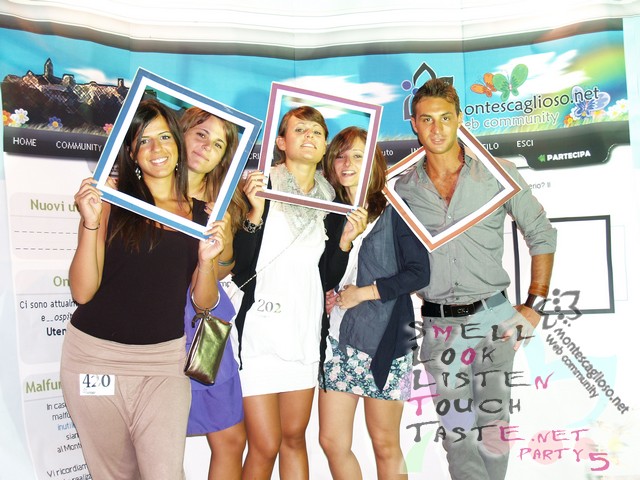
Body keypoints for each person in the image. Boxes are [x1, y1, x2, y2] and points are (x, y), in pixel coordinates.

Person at [394, 78, 556, 480]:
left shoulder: (498, 175)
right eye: (427, 119)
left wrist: (534, 306)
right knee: (457, 434)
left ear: (460, 119)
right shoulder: (404, 188)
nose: (437, 129)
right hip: (438, 325)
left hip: (493, 318)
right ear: (414, 124)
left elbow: (541, 234)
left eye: (445, 118)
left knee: (493, 429)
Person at [60, 99, 225, 480]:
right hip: (94, 359)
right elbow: (82, 293)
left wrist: (207, 260)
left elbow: (204, 302)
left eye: (164, 137)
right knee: (114, 474)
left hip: (163, 364)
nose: (156, 148)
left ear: (178, 144)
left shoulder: (203, 215)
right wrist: (90, 222)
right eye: (144, 140)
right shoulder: (110, 201)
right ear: (132, 152)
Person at [232, 106, 366, 479]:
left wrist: (344, 242)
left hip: (304, 331)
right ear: (281, 142)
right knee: (265, 444)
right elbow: (240, 265)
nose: (309, 137)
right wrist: (254, 213)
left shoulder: (332, 200)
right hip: (259, 331)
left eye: (317, 132)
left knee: (293, 438)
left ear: (324, 146)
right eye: (300, 130)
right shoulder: (260, 186)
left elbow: (326, 276)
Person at [317, 126, 430, 479]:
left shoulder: (396, 209)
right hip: (338, 341)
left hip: (387, 341)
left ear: (374, 163)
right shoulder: (329, 214)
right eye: (340, 156)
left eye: (357, 155)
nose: (347, 163)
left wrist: (363, 293)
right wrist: (329, 291)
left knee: (385, 443)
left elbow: (419, 273)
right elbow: (325, 273)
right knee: (332, 441)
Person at [180, 107, 247, 479]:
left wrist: (223, 238)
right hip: (156, 324)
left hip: (206, 327)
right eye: (201, 134)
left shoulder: (222, 202)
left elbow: (223, 270)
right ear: (182, 132)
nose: (207, 147)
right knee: (158, 434)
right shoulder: (144, 191)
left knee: (231, 438)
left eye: (219, 144)